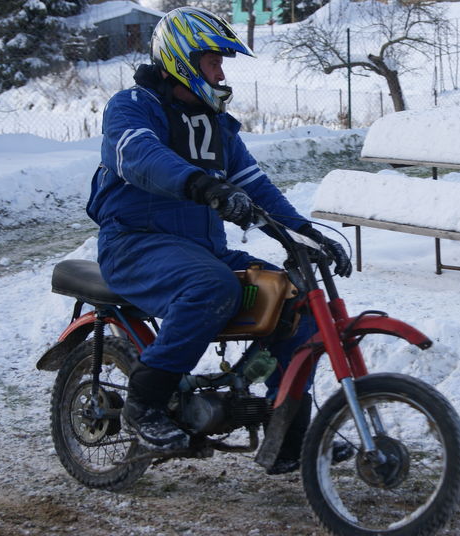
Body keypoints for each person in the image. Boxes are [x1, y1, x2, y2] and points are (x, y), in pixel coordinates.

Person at [86, 6, 351, 474]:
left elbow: (254, 185)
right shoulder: (132, 106)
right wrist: (202, 184)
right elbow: (139, 154)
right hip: (135, 245)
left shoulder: (215, 124)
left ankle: (285, 429)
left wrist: (306, 235)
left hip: (201, 249)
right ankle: (144, 405)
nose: (221, 74)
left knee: (296, 297)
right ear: (183, 59)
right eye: (213, 62)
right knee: (212, 286)